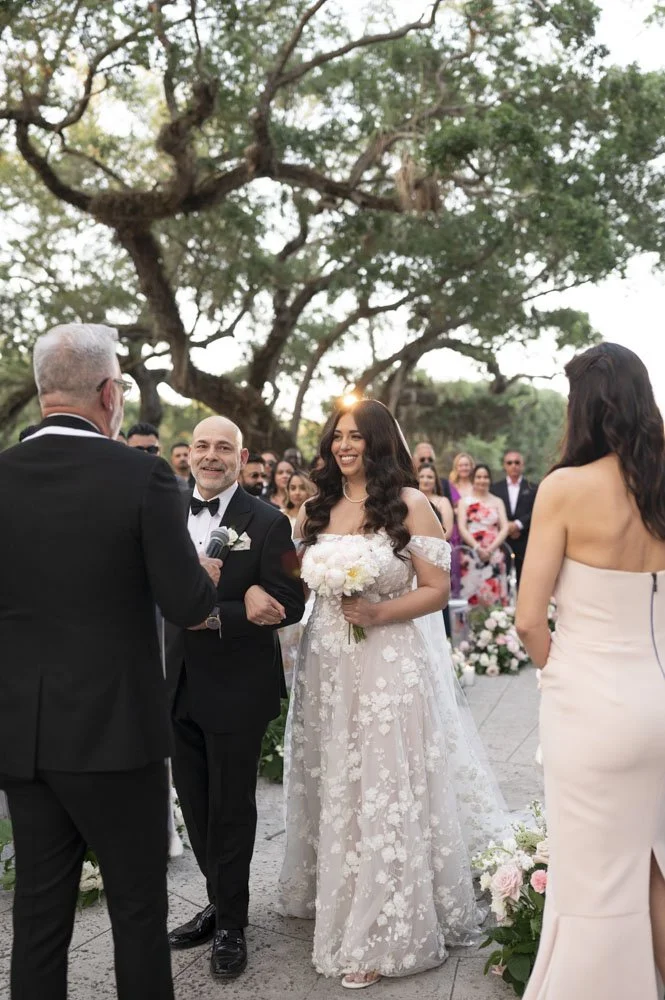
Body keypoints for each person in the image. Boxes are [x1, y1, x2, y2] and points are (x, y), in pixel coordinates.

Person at [0, 323, 219, 1000]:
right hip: (115, 734)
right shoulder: (140, 474)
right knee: (135, 909)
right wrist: (205, 572)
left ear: (42, 393)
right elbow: (185, 603)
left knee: (38, 915)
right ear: (108, 392)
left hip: (23, 734)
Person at [278, 399, 508, 988]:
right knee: (339, 776)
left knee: (383, 780)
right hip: (327, 665)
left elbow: (435, 589)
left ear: (380, 443)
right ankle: (339, 887)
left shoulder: (410, 505)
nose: (343, 445)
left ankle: (383, 926)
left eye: (356, 436)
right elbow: (292, 576)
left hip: (387, 662)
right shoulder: (315, 507)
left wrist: (378, 611)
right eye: (337, 435)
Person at [516, 343, 665, 1000]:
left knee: (593, 876)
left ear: (581, 406)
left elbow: (527, 620)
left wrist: (562, 675)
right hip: (657, 699)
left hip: (589, 710)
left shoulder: (564, 489)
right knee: (652, 865)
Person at [165, 417, 305, 981]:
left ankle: (231, 924)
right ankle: (219, 900)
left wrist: (229, 607)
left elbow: (292, 600)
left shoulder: (268, 522)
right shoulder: (164, 513)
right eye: (202, 445)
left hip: (237, 687)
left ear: (241, 456)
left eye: (224, 447)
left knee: (231, 808)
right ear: (189, 454)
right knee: (194, 806)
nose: (211, 455)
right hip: (173, 682)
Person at [458, 464, 510, 606]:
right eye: (479, 477)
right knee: (472, 596)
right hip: (472, 553)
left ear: (490, 480)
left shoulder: (497, 501)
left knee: (493, 596)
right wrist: (477, 548)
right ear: (473, 479)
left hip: (494, 554)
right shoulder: (464, 502)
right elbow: (462, 527)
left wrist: (491, 549)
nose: (482, 480)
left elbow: (504, 527)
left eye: (486, 477)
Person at [491, 450, 538, 587]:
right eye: (509, 463)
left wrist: (518, 524)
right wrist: (506, 526)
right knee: (502, 580)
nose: (513, 466)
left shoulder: (533, 487)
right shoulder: (495, 488)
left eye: (517, 462)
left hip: (525, 540)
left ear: (522, 465)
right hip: (501, 541)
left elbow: (536, 511)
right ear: (504, 465)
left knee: (525, 580)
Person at [417, 462, 454, 539]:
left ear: (435, 480)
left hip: (439, 546)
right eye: (421, 476)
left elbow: (448, 531)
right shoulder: (410, 500)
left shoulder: (443, 501)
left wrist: (431, 547)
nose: (425, 480)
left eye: (430, 477)